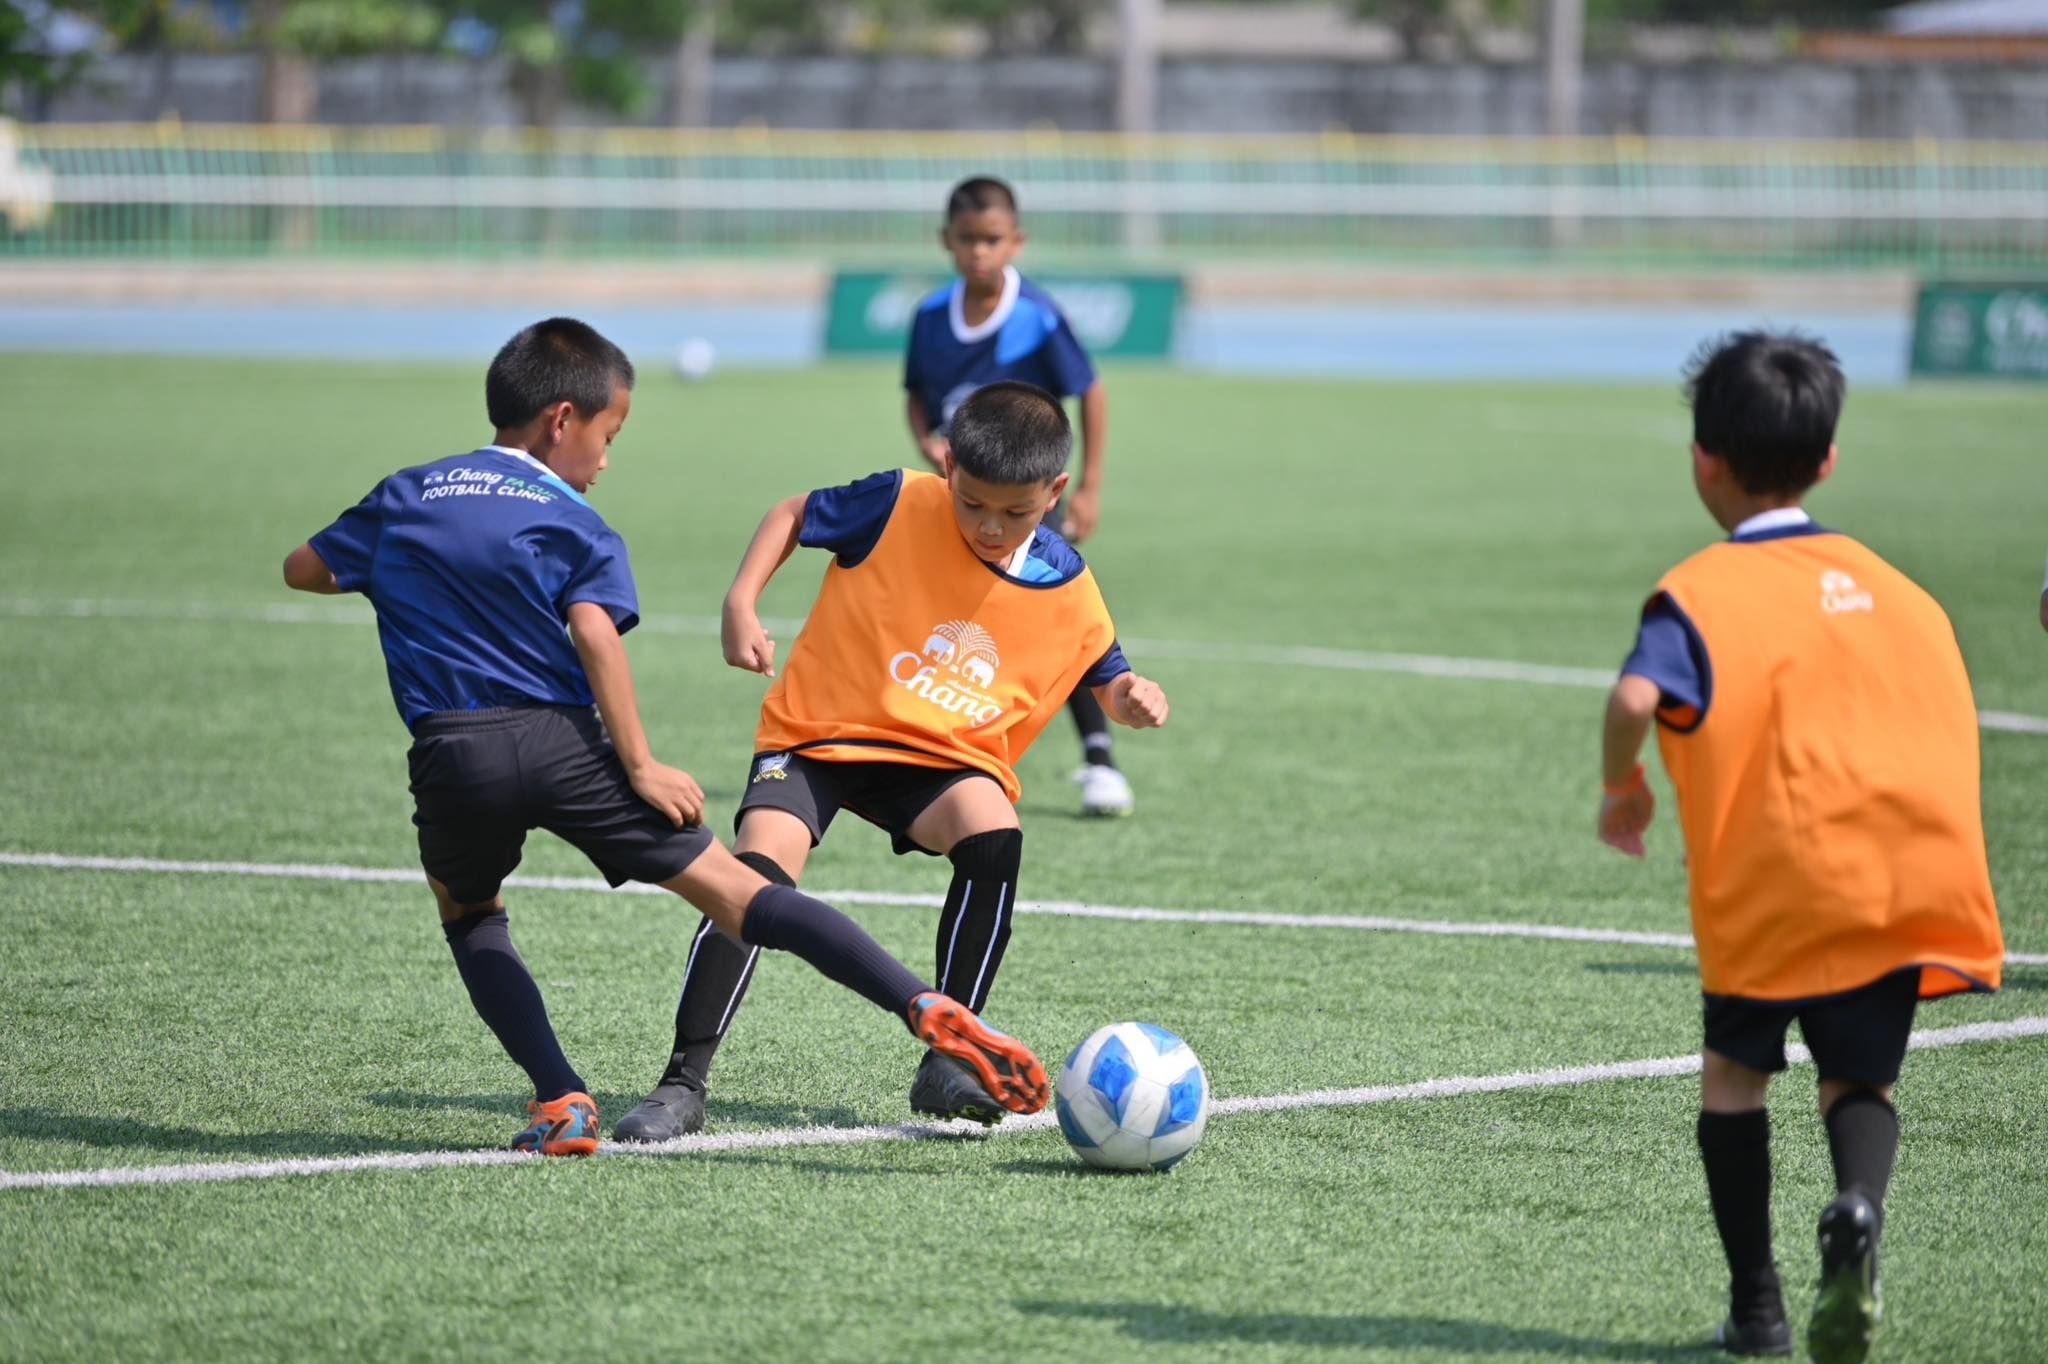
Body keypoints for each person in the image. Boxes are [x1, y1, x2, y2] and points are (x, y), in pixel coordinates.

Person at [280, 317, 1049, 1156]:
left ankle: (560, 1098)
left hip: (450, 754)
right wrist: (640, 764)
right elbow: (595, 633)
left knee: (469, 915)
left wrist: (404, 582)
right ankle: (921, 1004)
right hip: (564, 749)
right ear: (562, 422)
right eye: (609, 436)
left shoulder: (408, 494)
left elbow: (304, 568)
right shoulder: (575, 523)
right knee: (746, 895)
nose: (606, 459)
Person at [614, 381, 1169, 1142]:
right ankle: (683, 1082)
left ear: (1056, 491)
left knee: (994, 834)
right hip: (819, 734)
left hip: (937, 757)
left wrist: (1131, 697)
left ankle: (950, 1056)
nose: (990, 526)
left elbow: (1105, 672)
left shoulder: (1065, 578)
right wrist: (741, 600)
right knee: (754, 876)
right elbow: (793, 514)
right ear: (946, 466)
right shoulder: (896, 501)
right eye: (972, 503)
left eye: (1016, 512)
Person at [1597, 331, 2004, 1362]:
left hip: (1771, 883)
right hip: (1896, 877)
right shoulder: (1899, 589)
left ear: (1702, 459)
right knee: (1855, 1081)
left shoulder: (1697, 592)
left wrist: (1621, 790)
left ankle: (1758, 1307)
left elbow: (1635, 693)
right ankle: (1856, 1205)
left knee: (1734, 1075)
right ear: (1825, 459)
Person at [904, 174, 1132, 818]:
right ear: (946, 240)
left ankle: (1099, 759)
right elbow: (917, 393)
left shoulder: (1036, 315)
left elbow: (1090, 389)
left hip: (1027, 500)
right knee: (943, 615)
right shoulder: (928, 317)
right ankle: (930, 746)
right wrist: (926, 441)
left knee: (1056, 620)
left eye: (993, 240)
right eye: (968, 240)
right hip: (959, 496)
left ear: (1017, 242)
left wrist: (1087, 485)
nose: (980, 252)